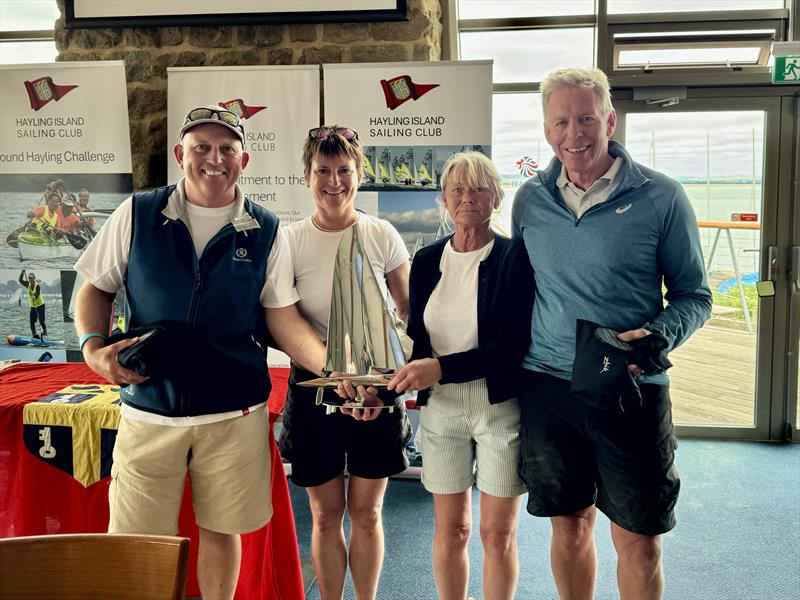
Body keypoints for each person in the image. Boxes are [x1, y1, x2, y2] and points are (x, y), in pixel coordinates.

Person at [74, 105, 326, 600]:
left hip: (234, 410)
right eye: (202, 148)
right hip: (149, 409)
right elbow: (93, 288)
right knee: (137, 543)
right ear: (179, 154)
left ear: (244, 159)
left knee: (222, 529)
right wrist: (94, 350)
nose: (215, 159)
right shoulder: (138, 213)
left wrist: (337, 370)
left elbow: (282, 317)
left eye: (227, 149)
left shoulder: (266, 228)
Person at [512, 67, 712, 600]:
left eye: (585, 118)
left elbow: (697, 296)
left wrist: (659, 334)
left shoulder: (662, 197)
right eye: (560, 121)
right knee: (569, 526)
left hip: (632, 388)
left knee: (640, 540)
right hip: (549, 389)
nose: (573, 134)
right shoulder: (529, 199)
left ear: (609, 120)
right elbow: (522, 291)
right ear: (546, 128)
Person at [387, 152, 534, 600]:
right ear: (443, 201)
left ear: (496, 197)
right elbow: (416, 335)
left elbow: (513, 348)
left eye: (478, 188)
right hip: (441, 410)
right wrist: (389, 371)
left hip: (498, 408)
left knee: (497, 535)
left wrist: (442, 368)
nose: (467, 198)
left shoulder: (514, 258)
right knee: (451, 530)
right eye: (457, 189)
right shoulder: (427, 259)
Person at [278, 125, 411, 600]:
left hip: (377, 386)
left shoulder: (381, 234)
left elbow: (408, 313)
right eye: (322, 171)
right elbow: (283, 319)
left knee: (368, 513)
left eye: (343, 170)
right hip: (315, 384)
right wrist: (333, 375)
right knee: (324, 513)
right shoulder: (289, 240)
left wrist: (383, 384)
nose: (334, 181)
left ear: (359, 174)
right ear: (307, 177)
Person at [19, 269, 47, 339]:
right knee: (32, 321)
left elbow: (37, 295)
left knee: (41, 320)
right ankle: (34, 334)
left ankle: (44, 333)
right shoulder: (27, 284)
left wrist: (33, 296)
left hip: (40, 305)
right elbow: (20, 280)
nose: (30, 279)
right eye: (29, 278)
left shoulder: (37, 286)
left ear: (34, 279)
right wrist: (22, 273)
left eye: (31, 278)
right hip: (33, 306)